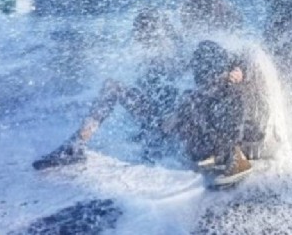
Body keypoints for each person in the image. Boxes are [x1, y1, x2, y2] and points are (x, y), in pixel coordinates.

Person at [33, 11, 186, 170]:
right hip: (153, 121)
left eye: (140, 31)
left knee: (111, 87)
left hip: (165, 125)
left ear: (153, 31)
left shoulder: (169, 56)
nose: (136, 36)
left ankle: (76, 146)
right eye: (136, 30)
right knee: (111, 86)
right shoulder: (152, 54)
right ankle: (77, 144)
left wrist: (173, 119)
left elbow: (187, 91)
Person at [176, 43, 271, 185]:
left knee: (230, 95)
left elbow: (249, 59)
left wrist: (241, 71)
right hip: (235, 134)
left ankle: (237, 158)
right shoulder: (210, 85)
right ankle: (217, 152)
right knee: (192, 102)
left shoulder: (236, 79)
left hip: (253, 135)